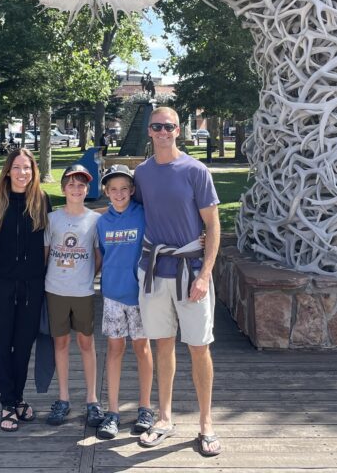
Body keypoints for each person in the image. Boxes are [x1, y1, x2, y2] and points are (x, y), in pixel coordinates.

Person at [135, 106, 222, 458]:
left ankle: (206, 423)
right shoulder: (142, 173)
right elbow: (134, 211)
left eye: (169, 126)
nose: (163, 132)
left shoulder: (195, 171)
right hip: (156, 271)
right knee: (163, 344)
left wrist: (205, 275)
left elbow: (213, 226)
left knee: (199, 347)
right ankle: (165, 417)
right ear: (150, 131)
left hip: (191, 272)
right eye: (157, 126)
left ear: (179, 130)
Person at [0, 148, 51, 432]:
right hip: (1, 285)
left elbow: (48, 245)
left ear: (34, 172)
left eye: (27, 168)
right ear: (8, 171)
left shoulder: (42, 202)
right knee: (2, 345)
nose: (22, 173)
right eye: (17, 168)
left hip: (32, 286)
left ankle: (17, 398)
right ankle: (7, 402)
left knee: (23, 347)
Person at [94, 164, 154, 440]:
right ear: (106, 192)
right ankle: (114, 411)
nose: (119, 194)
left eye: (124, 189)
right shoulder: (103, 222)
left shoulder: (143, 215)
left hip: (140, 295)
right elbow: (103, 256)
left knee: (142, 348)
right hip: (112, 296)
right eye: (113, 189)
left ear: (132, 191)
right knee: (115, 349)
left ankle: (145, 407)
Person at [43, 164, 103, 427]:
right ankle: (63, 398)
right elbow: (45, 254)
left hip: (83, 291)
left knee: (87, 343)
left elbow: (98, 256)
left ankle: (92, 399)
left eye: (81, 185)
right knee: (61, 344)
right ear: (63, 188)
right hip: (55, 289)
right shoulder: (52, 219)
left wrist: (87, 274)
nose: (76, 189)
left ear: (87, 189)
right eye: (71, 184)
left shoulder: (94, 220)